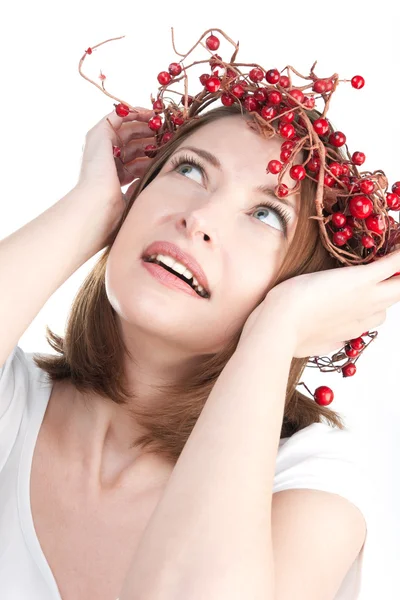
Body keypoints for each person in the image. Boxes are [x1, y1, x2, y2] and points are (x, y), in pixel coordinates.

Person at [1, 100, 400, 600]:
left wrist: (273, 334)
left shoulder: (310, 486)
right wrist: (90, 208)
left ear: (308, 285)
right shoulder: (13, 404)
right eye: (189, 169)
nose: (199, 218)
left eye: (266, 214)